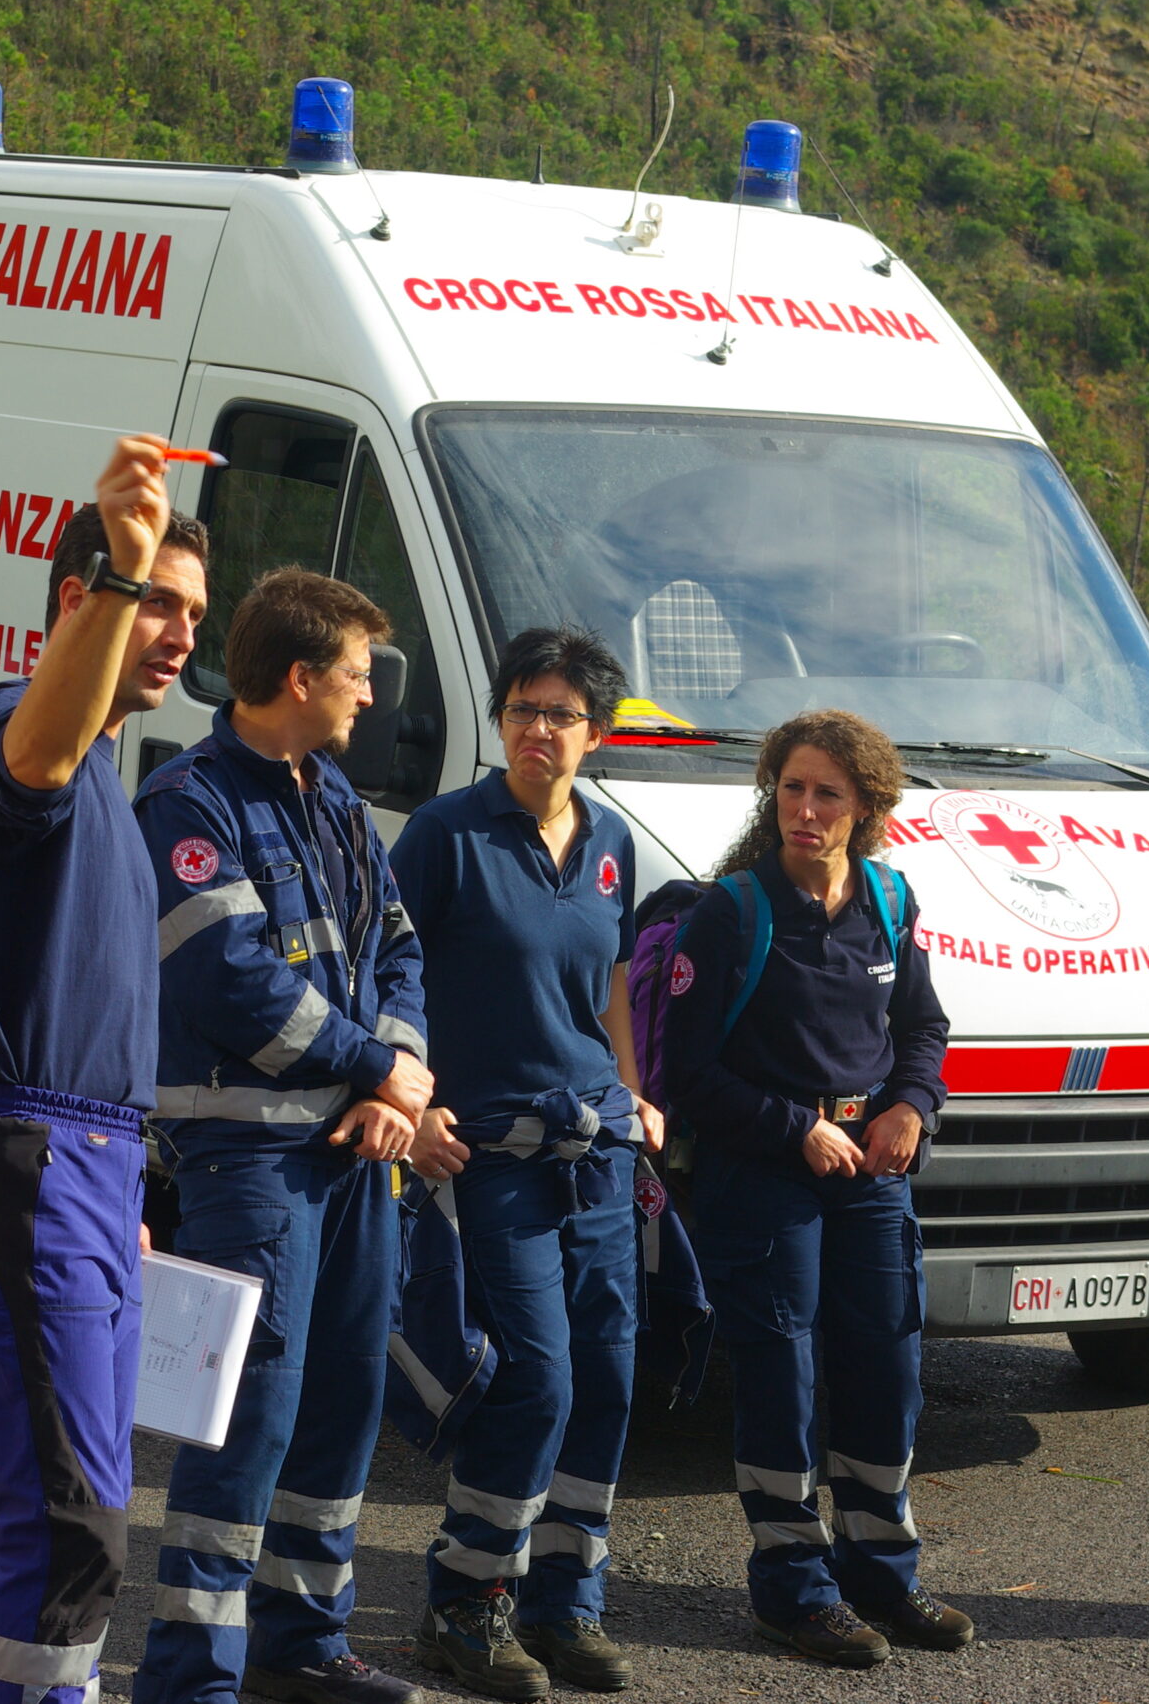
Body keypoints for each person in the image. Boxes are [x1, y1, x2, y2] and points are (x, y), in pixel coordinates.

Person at [0, 435, 208, 1704]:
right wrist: (121, 570)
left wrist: (122, 1185)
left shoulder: (114, 795)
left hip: (81, 1173)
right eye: (156, 603)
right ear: (82, 604)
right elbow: (38, 747)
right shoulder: (9, 733)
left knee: (86, 1519)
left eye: (193, 607)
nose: (182, 631)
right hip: (18, 1160)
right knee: (67, 1526)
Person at [131, 568, 428, 1704]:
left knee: (343, 1400)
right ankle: (190, 1677)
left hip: (357, 1150)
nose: (368, 696)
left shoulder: (336, 796)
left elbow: (397, 945)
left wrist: (391, 1080)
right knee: (250, 1416)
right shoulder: (189, 800)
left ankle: (300, 1648)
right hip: (249, 1161)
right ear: (300, 677)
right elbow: (229, 977)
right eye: (357, 674)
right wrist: (373, 1063)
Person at [659, 709, 967, 1669]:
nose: (805, 807)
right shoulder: (732, 912)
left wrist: (911, 1108)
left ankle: (883, 1574)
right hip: (767, 1173)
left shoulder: (889, 898)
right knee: (781, 1377)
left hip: (872, 1173)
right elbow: (687, 1074)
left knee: (886, 1367)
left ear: (866, 805)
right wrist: (799, 1130)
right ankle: (794, 1590)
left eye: (828, 792)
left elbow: (923, 1028)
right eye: (791, 787)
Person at [388, 627, 663, 1699]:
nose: (537, 728)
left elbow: (611, 985)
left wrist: (634, 1090)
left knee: (604, 1376)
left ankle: (564, 1604)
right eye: (521, 708)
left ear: (595, 731)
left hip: (593, 1152)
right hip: (487, 1154)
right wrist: (409, 1101)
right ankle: (463, 1605)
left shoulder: (611, 842)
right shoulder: (447, 834)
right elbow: (388, 970)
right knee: (534, 1379)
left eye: (559, 713)